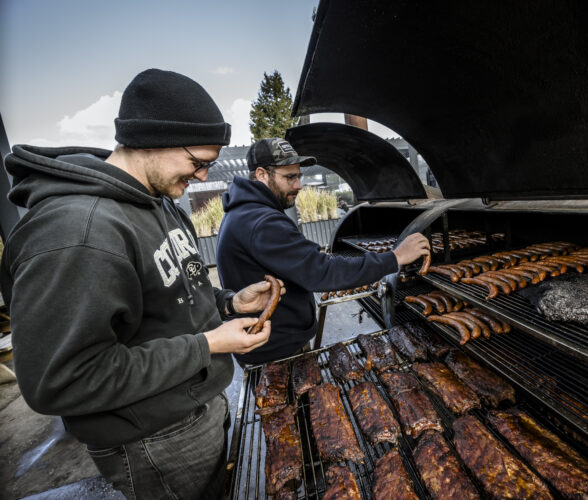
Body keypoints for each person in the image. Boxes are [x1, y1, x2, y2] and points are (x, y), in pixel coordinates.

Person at [0, 69, 282, 499]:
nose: (205, 177)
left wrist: (227, 304)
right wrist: (208, 346)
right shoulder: (78, 231)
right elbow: (60, 380)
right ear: (152, 139)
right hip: (153, 440)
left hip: (198, 406)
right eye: (198, 162)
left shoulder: (160, 201)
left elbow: (173, 295)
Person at [216, 137, 430, 365]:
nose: (298, 185)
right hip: (276, 352)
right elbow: (322, 271)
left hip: (267, 343)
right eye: (289, 177)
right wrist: (395, 257)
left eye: (298, 176)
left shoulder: (243, 213)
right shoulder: (261, 221)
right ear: (261, 175)